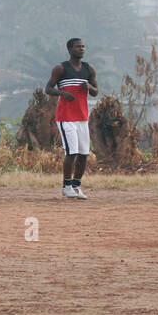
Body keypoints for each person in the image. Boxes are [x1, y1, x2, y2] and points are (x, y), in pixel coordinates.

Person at [44, 37, 99, 199]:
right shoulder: (61, 68)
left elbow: (96, 92)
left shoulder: (89, 69)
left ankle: (76, 186)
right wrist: (62, 93)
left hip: (82, 117)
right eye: (77, 47)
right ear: (70, 49)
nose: (81, 49)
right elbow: (48, 88)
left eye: (83, 46)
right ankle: (66, 186)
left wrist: (88, 86)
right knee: (72, 153)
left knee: (83, 154)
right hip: (66, 117)